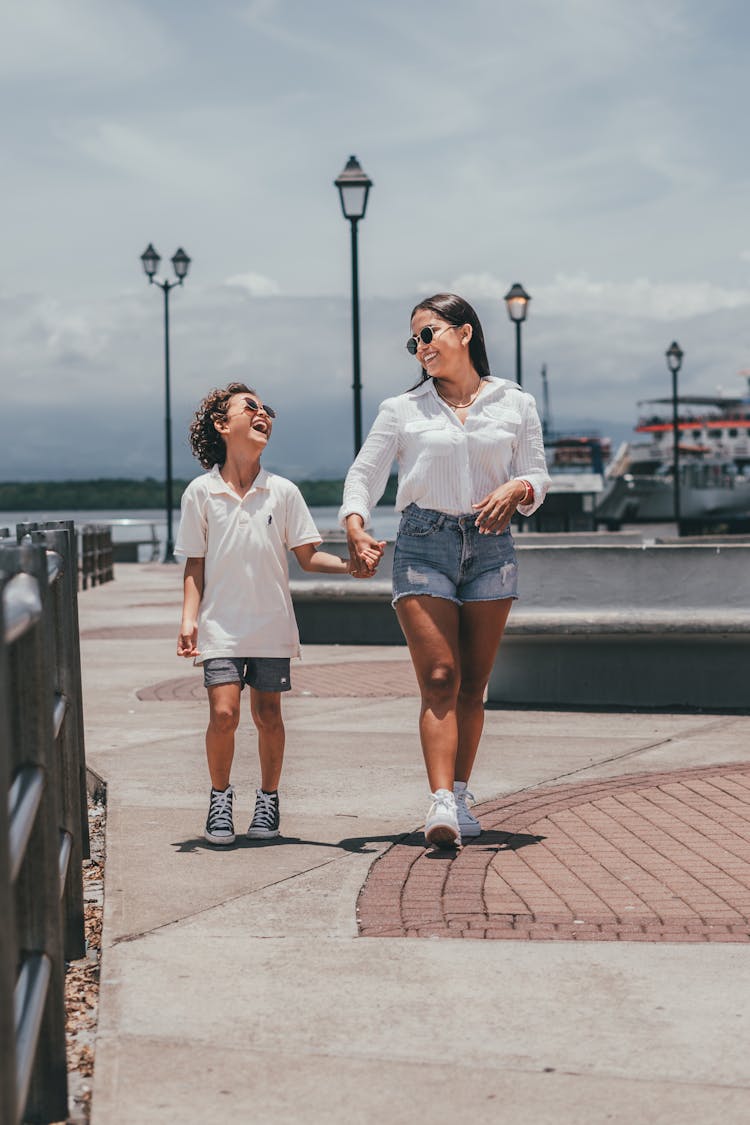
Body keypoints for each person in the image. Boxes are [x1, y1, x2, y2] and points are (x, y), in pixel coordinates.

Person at [340, 294, 550, 848]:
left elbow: (537, 475)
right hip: (423, 543)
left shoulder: (515, 403)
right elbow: (364, 475)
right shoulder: (400, 410)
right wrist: (356, 524)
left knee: (474, 686)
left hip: (491, 547)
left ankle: (459, 793)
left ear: (463, 333)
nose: (421, 347)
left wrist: (520, 486)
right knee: (440, 678)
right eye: (414, 342)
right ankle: (438, 802)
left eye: (428, 334)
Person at [176, 382, 381, 846]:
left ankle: (268, 799)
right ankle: (220, 798)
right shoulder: (200, 493)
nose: (262, 412)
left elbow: (308, 556)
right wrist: (188, 618)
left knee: (269, 715)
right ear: (222, 425)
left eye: (266, 408)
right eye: (249, 407)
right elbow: (194, 563)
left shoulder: (283, 491)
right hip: (220, 627)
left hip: (271, 625)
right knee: (223, 714)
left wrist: (351, 565)